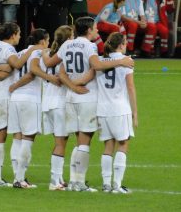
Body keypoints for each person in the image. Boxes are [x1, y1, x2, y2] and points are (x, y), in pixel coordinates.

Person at [43, 16, 134, 192]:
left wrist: (72, 86)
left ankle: (74, 181)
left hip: (70, 99)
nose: (97, 31)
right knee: (84, 142)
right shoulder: (89, 46)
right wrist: (121, 61)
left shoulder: (66, 45)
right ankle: (79, 182)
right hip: (87, 98)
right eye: (95, 28)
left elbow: (54, 66)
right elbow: (97, 65)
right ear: (88, 30)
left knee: (78, 141)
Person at [0, 22, 40, 186]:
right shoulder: (8, 50)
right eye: (19, 33)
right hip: (0, 96)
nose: (20, 36)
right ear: (13, 34)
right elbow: (18, 65)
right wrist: (31, 50)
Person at [7, 29, 50, 189]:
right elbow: (32, 74)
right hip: (30, 98)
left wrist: (14, 88)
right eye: (48, 40)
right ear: (43, 41)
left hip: (15, 100)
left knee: (17, 137)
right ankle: (20, 178)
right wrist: (15, 85)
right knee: (28, 138)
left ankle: (17, 176)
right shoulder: (39, 52)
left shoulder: (21, 52)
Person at [33, 25, 74, 190]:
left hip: (47, 103)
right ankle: (54, 181)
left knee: (59, 141)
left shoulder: (47, 54)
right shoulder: (63, 56)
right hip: (60, 103)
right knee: (61, 143)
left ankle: (59, 178)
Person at [96, 32, 137, 193]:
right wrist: (135, 112)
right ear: (120, 45)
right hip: (120, 109)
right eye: (125, 42)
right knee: (123, 144)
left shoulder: (100, 61)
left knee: (108, 146)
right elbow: (131, 87)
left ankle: (106, 184)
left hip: (103, 110)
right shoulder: (126, 61)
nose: (126, 45)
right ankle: (117, 185)